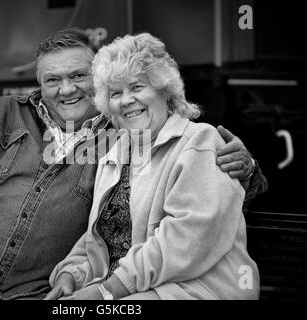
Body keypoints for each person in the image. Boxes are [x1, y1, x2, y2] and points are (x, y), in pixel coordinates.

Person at [0, 28, 265, 300]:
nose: (66, 89)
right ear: (39, 83)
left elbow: (201, 206)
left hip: (34, 293)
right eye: (53, 79)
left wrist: (246, 170)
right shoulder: (0, 115)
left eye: (78, 76)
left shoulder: (122, 135)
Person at [45, 33, 260, 300]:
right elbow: (101, 237)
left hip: (195, 289)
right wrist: (70, 276)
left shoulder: (199, 142)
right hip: (136, 288)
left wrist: (106, 292)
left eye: (136, 87)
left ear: (164, 90)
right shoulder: (117, 152)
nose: (126, 101)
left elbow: (186, 240)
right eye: (115, 93)